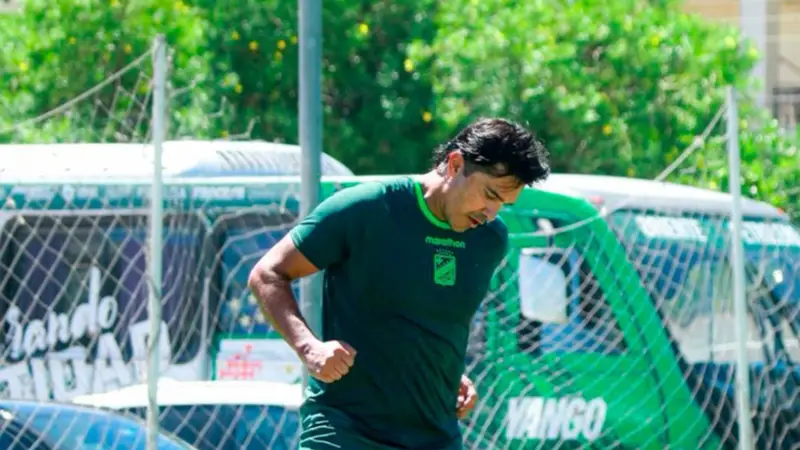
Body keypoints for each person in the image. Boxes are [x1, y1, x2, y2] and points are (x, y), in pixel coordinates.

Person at [248, 117, 551, 449]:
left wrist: (446, 377)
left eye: (503, 204)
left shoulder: (490, 239)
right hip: (346, 432)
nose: (491, 213)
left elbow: (430, 325)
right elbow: (268, 274)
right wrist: (309, 347)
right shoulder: (368, 208)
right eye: (490, 194)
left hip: (435, 436)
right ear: (455, 164)